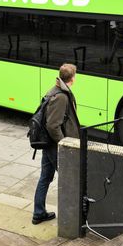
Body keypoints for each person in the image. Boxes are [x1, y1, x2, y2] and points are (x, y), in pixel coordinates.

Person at [32, 63, 80, 225]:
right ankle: (69, 219)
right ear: (72, 78)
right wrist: (63, 143)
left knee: (45, 177)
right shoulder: (61, 97)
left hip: (49, 145)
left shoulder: (56, 90)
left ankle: (39, 213)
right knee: (68, 179)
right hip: (55, 146)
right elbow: (53, 125)